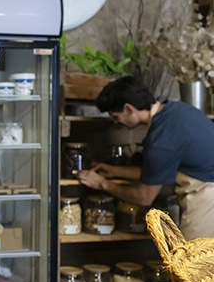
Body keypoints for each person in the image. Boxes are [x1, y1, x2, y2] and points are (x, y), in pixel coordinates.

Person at [77, 76, 214, 239]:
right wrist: (115, 171)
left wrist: (104, 184)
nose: (115, 122)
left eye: (115, 116)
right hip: (206, 187)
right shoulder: (177, 110)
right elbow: (157, 171)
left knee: (194, 261)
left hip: (206, 198)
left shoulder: (160, 139)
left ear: (128, 108)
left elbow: (144, 197)